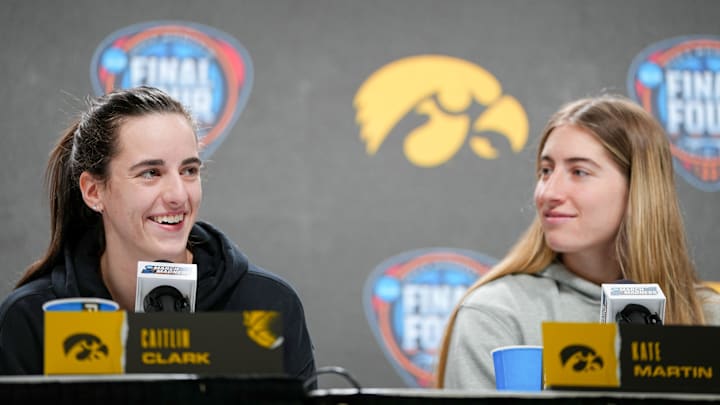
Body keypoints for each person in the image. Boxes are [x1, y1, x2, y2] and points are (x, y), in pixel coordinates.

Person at [0, 86, 316, 382]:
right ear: (94, 191)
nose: (178, 194)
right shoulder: (32, 320)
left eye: (189, 170)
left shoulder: (267, 306)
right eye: (151, 173)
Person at [435, 94, 720, 390]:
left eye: (579, 172)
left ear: (639, 189)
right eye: (546, 171)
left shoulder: (708, 319)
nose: (548, 193)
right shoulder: (497, 314)